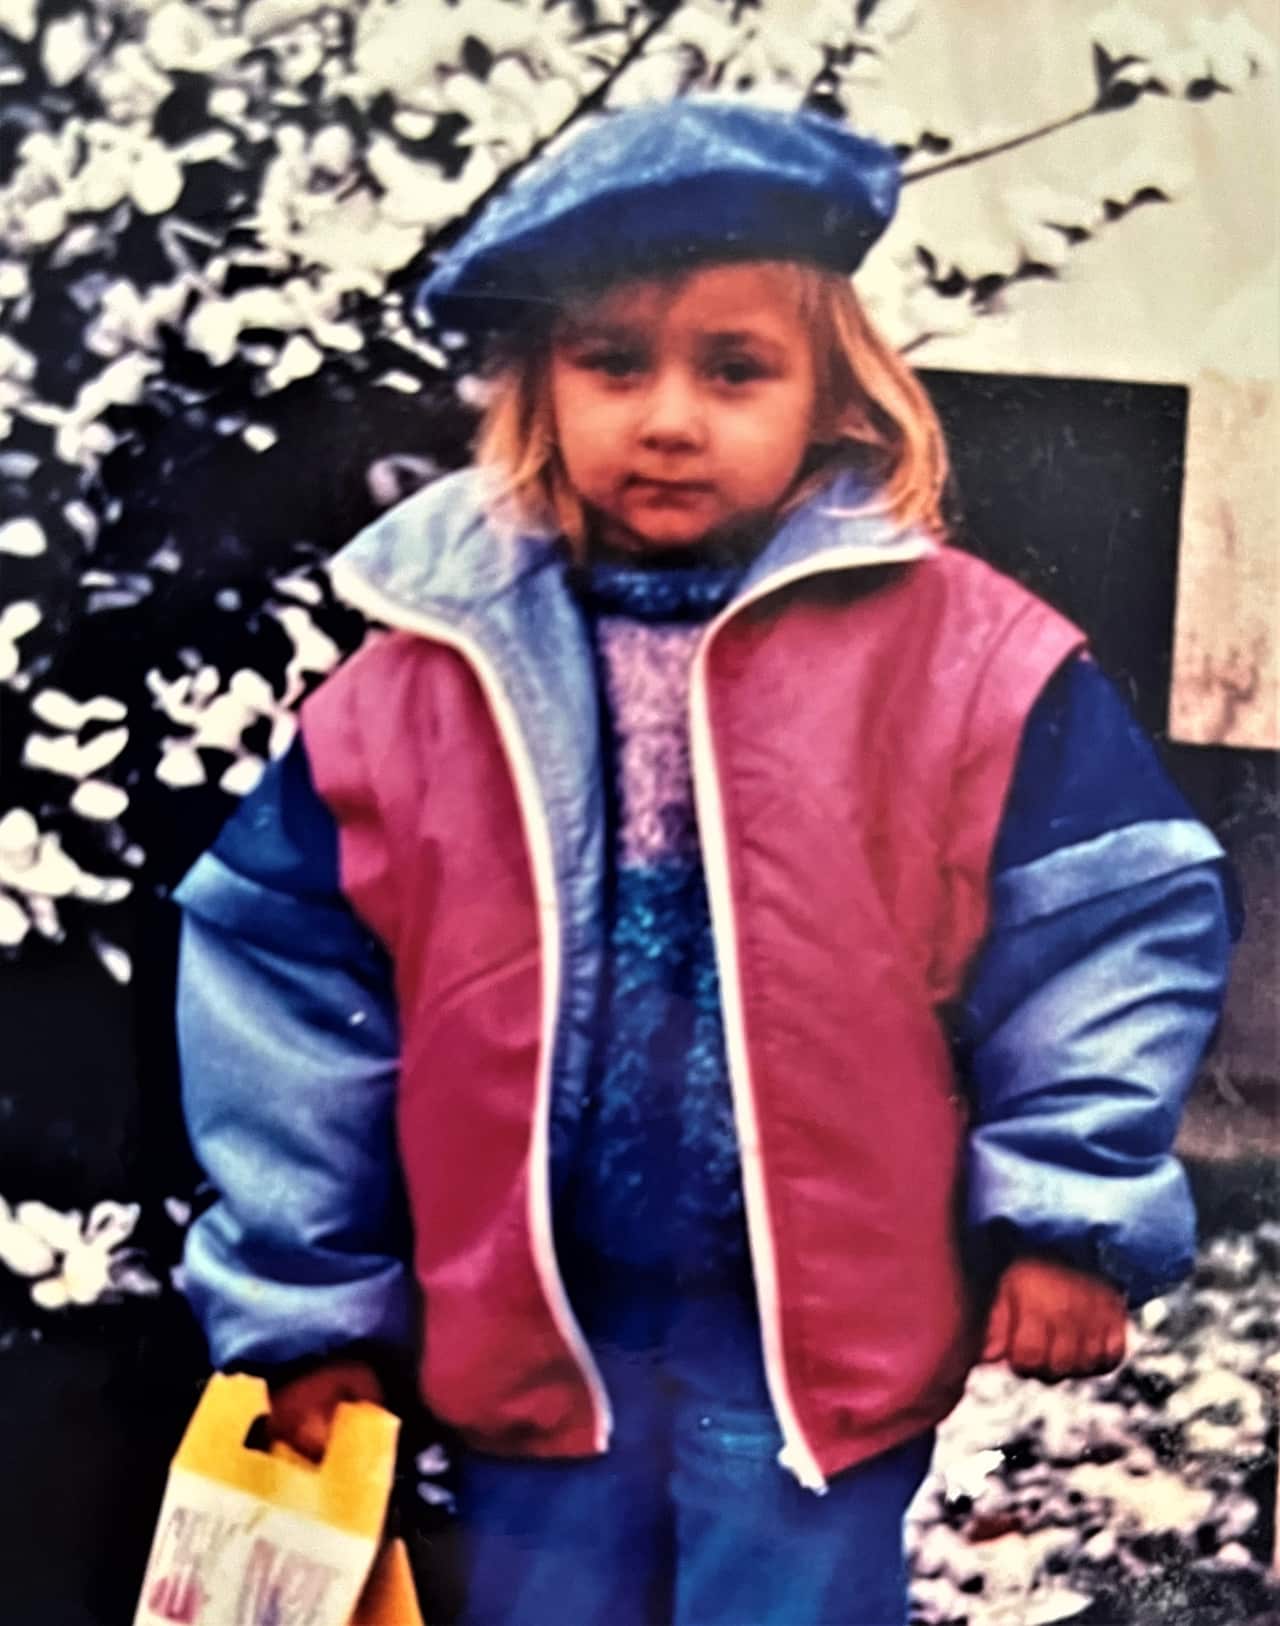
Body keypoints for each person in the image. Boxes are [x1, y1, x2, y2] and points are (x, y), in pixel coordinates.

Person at [174, 102, 1236, 1625]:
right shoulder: (419, 684)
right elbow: (283, 984)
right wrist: (308, 1297)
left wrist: (1065, 1208)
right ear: (544, 382)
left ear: (835, 389)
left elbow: (1105, 926)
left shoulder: (962, 658)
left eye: (736, 368)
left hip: (815, 1328)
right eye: (616, 362)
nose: (670, 416)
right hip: (541, 1335)